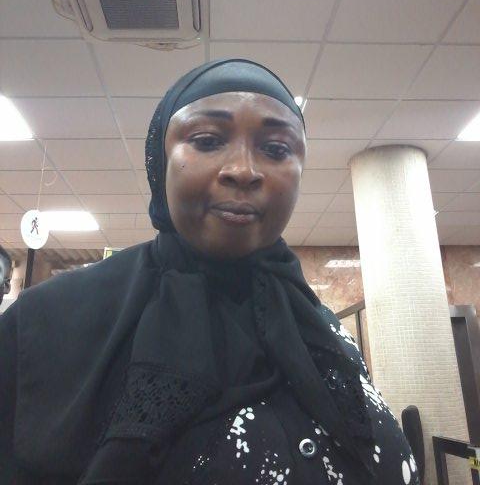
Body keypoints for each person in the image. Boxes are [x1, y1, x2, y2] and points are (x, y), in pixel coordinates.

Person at [0, 59, 419, 485]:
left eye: (276, 149)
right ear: (161, 160)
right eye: (207, 141)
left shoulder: (324, 331)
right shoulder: (46, 321)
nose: (244, 170)